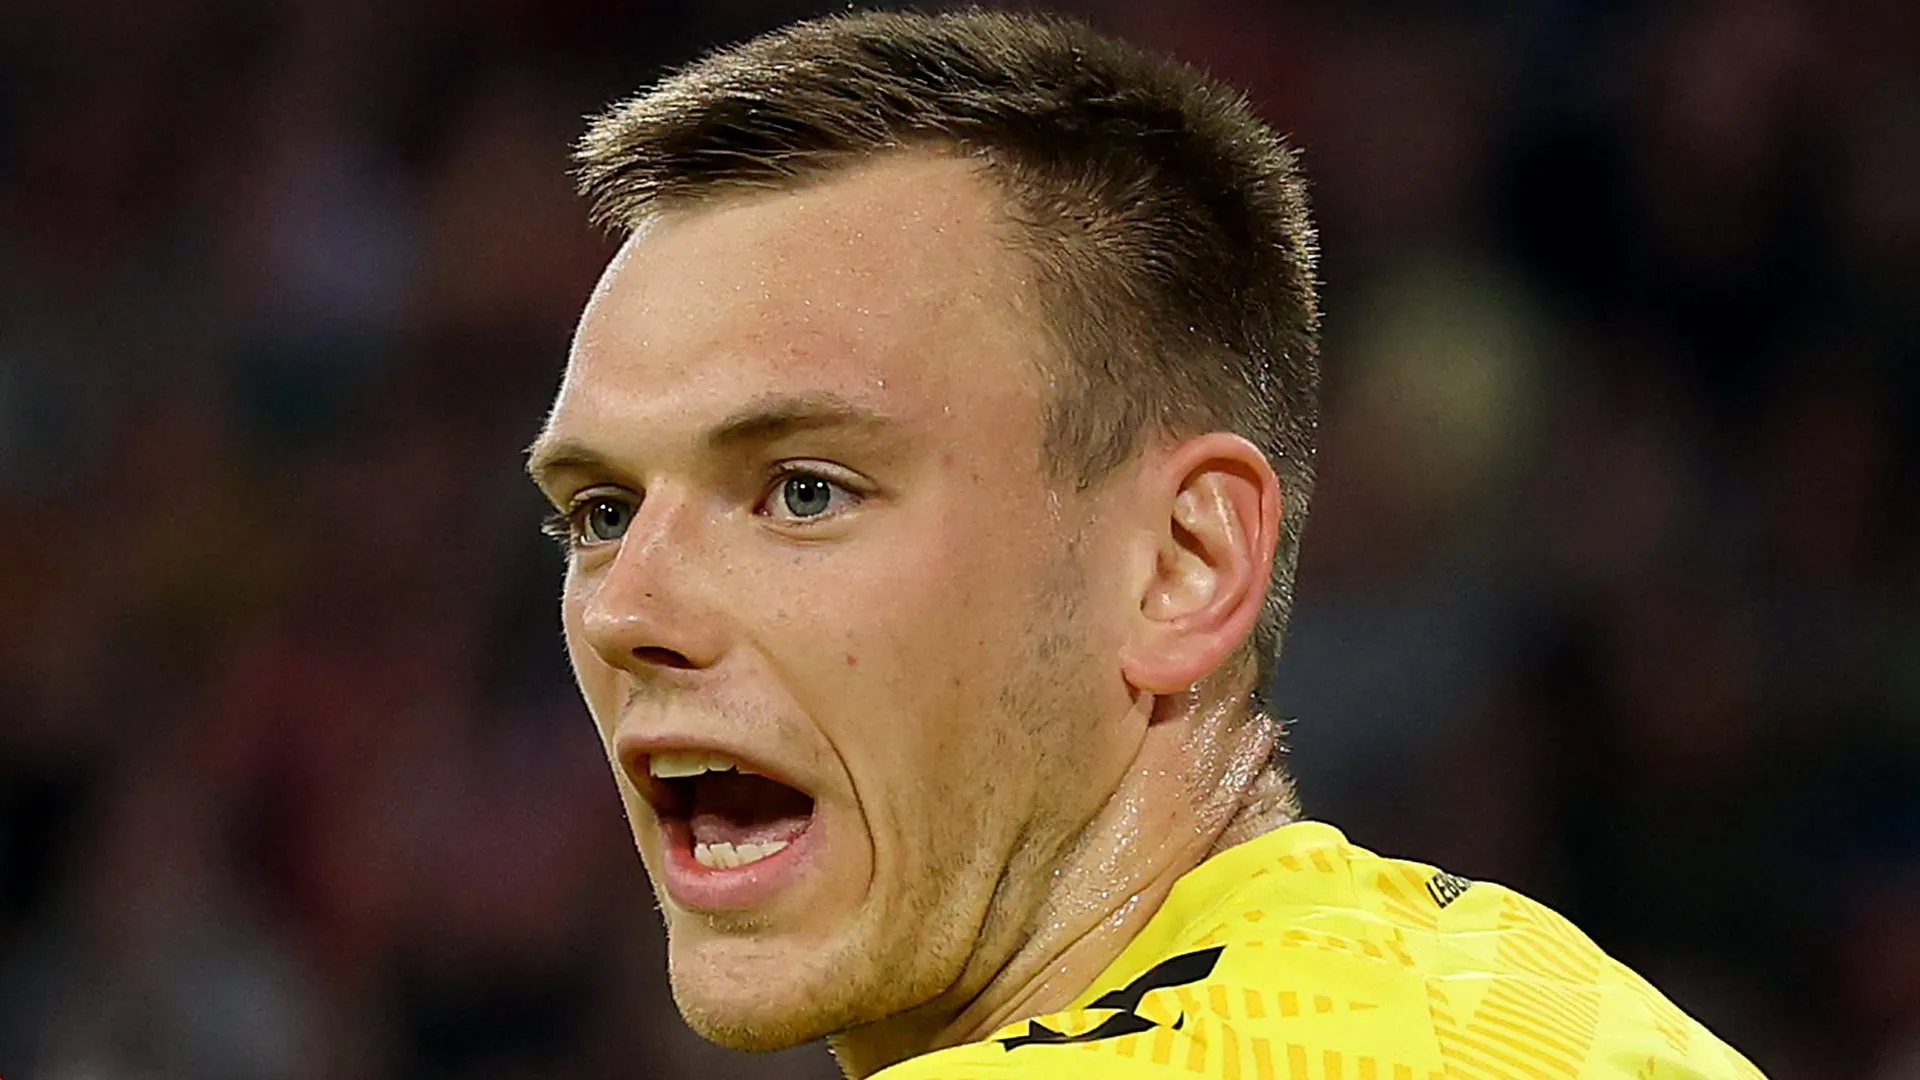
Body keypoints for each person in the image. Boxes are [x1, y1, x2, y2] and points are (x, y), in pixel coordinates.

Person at [525, 10, 1766, 1079]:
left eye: (805, 491)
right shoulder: (1525, 1008)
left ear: (1185, 564)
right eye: (602, 513)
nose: (626, 609)